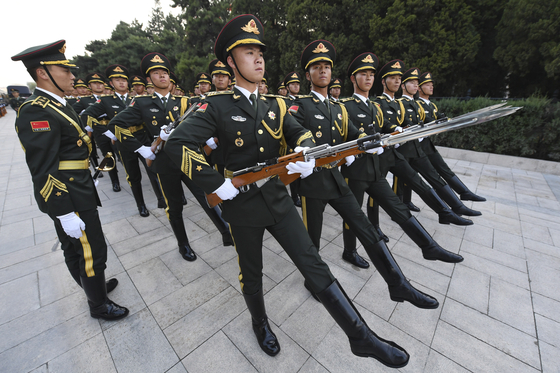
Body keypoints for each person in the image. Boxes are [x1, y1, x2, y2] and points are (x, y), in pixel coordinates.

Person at [165, 15, 409, 368]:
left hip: (278, 198)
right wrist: (215, 183)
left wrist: (307, 155)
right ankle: (259, 322)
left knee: (313, 262)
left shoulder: (277, 104)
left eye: (260, 52)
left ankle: (361, 336)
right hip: (242, 205)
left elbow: (300, 133)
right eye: (249, 53)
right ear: (231, 62)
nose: (259, 58)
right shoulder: (214, 105)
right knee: (251, 272)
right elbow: (178, 145)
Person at [290, 40, 439, 308]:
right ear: (308, 74)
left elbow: (351, 135)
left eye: (326, 67)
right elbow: (295, 135)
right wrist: (303, 153)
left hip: (336, 178)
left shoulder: (337, 108)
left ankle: (398, 283)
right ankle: (311, 279)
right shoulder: (299, 105)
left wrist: (368, 143)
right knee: (312, 237)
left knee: (366, 228)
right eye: (316, 67)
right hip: (312, 182)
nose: (322, 71)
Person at [12, 40, 128, 321]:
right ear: (43, 73)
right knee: (90, 249)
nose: (73, 75)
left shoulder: (56, 104)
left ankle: (95, 289)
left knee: (77, 246)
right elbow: (42, 167)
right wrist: (63, 210)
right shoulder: (36, 110)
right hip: (68, 193)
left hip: (77, 185)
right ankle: (98, 305)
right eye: (64, 69)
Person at [340, 52, 463, 264]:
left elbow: (382, 127)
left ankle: (429, 246)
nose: (368, 78)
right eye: (363, 74)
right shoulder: (344, 106)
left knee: (397, 206)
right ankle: (349, 251)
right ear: (353, 78)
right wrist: (347, 156)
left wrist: (396, 130)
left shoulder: (374, 106)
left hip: (375, 170)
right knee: (353, 216)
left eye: (371, 74)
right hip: (356, 172)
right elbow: (341, 136)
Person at [110, 52, 233, 261]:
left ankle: (226, 232)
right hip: (164, 164)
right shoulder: (141, 103)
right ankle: (183, 244)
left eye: (165, 73)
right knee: (174, 207)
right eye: (156, 73)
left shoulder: (185, 101)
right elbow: (116, 125)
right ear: (149, 79)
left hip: (189, 159)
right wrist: (142, 149)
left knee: (207, 197)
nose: (162, 77)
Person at [373, 60, 473, 234]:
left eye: (399, 78)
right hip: (382, 153)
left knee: (420, 182)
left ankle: (445, 212)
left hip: (398, 151)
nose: (397, 81)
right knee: (375, 193)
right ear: (383, 81)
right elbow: (381, 125)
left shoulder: (399, 104)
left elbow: (408, 123)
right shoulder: (377, 103)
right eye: (393, 78)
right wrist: (396, 130)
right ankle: (374, 226)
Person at [81, 64, 167, 216]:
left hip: (142, 138)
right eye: (117, 80)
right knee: (133, 176)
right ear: (111, 83)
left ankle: (161, 198)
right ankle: (141, 205)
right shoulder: (106, 101)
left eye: (124, 80)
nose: (121, 82)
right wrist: (109, 133)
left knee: (153, 169)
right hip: (124, 142)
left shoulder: (139, 99)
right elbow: (86, 116)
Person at [396, 68, 481, 217]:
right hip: (406, 146)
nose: (416, 86)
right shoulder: (401, 104)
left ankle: (456, 204)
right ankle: (400, 204)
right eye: (413, 83)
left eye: (417, 83)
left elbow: (426, 121)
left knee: (433, 175)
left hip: (420, 146)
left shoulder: (418, 105)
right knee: (405, 179)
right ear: (403, 86)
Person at [417, 72, 486, 201]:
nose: (431, 87)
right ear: (419, 88)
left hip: (427, 145)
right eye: (427, 85)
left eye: (432, 85)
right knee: (411, 177)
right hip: (417, 145)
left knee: (443, 169)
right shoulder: (417, 104)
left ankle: (464, 192)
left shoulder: (432, 105)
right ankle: (405, 201)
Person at [73, 72, 121, 192]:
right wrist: (87, 123)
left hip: (114, 129)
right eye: (95, 83)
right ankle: (115, 181)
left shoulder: (112, 98)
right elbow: (73, 114)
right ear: (89, 86)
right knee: (108, 156)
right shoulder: (85, 100)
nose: (98, 86)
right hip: (100, 132)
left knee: (121, 154)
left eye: (100, 83)